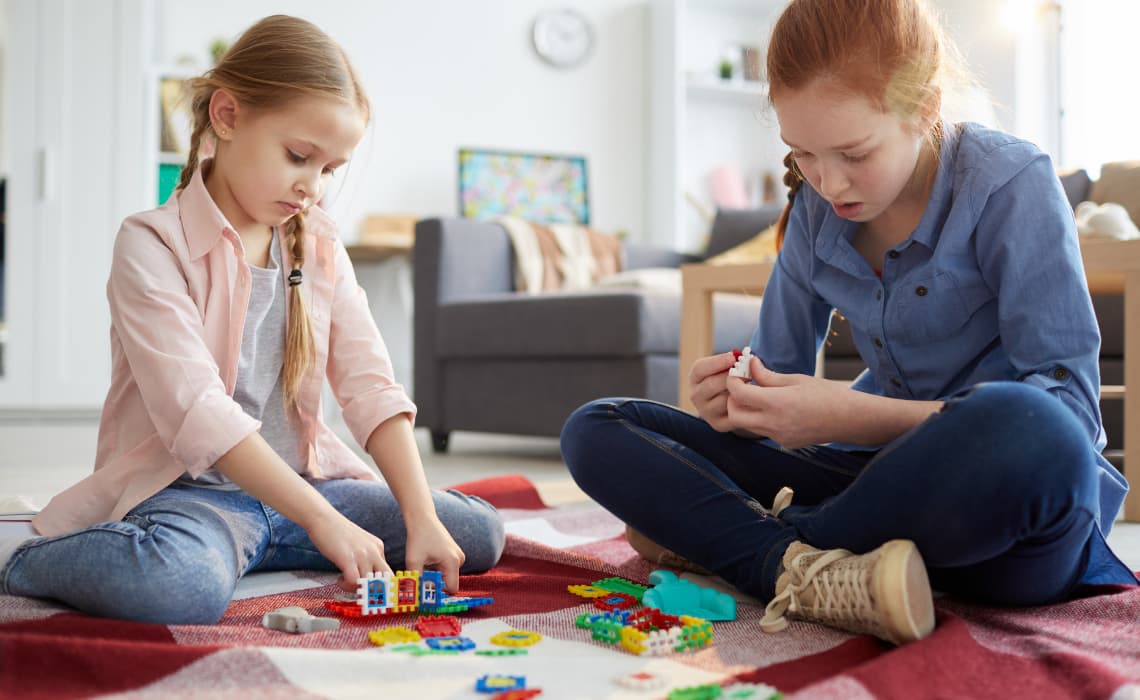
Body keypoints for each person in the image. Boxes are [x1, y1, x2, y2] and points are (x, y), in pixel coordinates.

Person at [561, 0, 1137, 646]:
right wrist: (738, 397)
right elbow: (776, 381)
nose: (829, 183)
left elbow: (1071, 414)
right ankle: (795, 565)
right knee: (599, 425)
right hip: (862, 485)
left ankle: (743, 542)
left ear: (923, 107)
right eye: (802, 154)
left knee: (1031, 427)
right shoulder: (814, 211)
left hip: (1000, 519)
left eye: (854, 153)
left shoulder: (1010, 183)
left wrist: (851, 414)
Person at [0, 15, 504, 624]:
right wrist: (325, 524)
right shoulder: (151, 244)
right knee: (178, 585)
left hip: (305, 488)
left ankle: (267, 548)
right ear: (228, 116)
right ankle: (20, 556)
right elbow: (201, 413)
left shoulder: (318, 245)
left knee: (475, 532)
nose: (312, 187)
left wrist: (420, 517)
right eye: (299, 156)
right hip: (192, 499)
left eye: (329, 170)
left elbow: (371, 385)